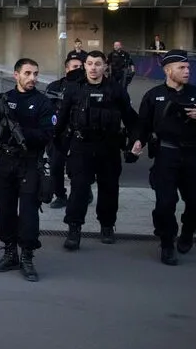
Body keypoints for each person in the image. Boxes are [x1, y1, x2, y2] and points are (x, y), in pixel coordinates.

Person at [131, 50, 196, 265]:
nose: (187, 71)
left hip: (192, 155)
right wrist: (137, 142)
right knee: (165, 202)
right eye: (182, 68)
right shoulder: (153, 95)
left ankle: (188, 231)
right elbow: (142, 125)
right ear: (168, 70)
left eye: (188, 67)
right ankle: (167, 242)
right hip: (165, 154)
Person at [0, 59, 56, 282]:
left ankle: (27, 256)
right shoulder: (6, 98)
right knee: (5, 210)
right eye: (27, 73)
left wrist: (23, 132)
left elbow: (48, 134)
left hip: (30, 163)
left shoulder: (43, 102)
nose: (32, 78)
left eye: (35, 73)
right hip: (7, 162)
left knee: (28, 213)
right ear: (16, 75)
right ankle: (10, 253)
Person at [55, 51, 139, 250]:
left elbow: (130, 118)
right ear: (84, 66)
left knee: (109, 189)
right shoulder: (74, 89)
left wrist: (136, 141)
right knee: (79, 189)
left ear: (105, 66)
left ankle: (107, 226)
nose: (93, 68)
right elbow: (62, 120)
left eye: (98, 64)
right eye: (90, 64)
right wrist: (57, 146)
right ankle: (74, 229)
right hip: (81, 146)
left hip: (108, 147)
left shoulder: (117, 90)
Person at [45, 57, 85, 209]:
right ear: (67, 69)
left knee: (79, 168)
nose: (78, 69)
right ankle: (60, 195)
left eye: (81, 66)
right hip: (58, 134)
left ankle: (84, 192)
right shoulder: (55, 86)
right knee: (55, 166)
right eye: (75, 66)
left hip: (79, 134)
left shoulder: (86, 87)